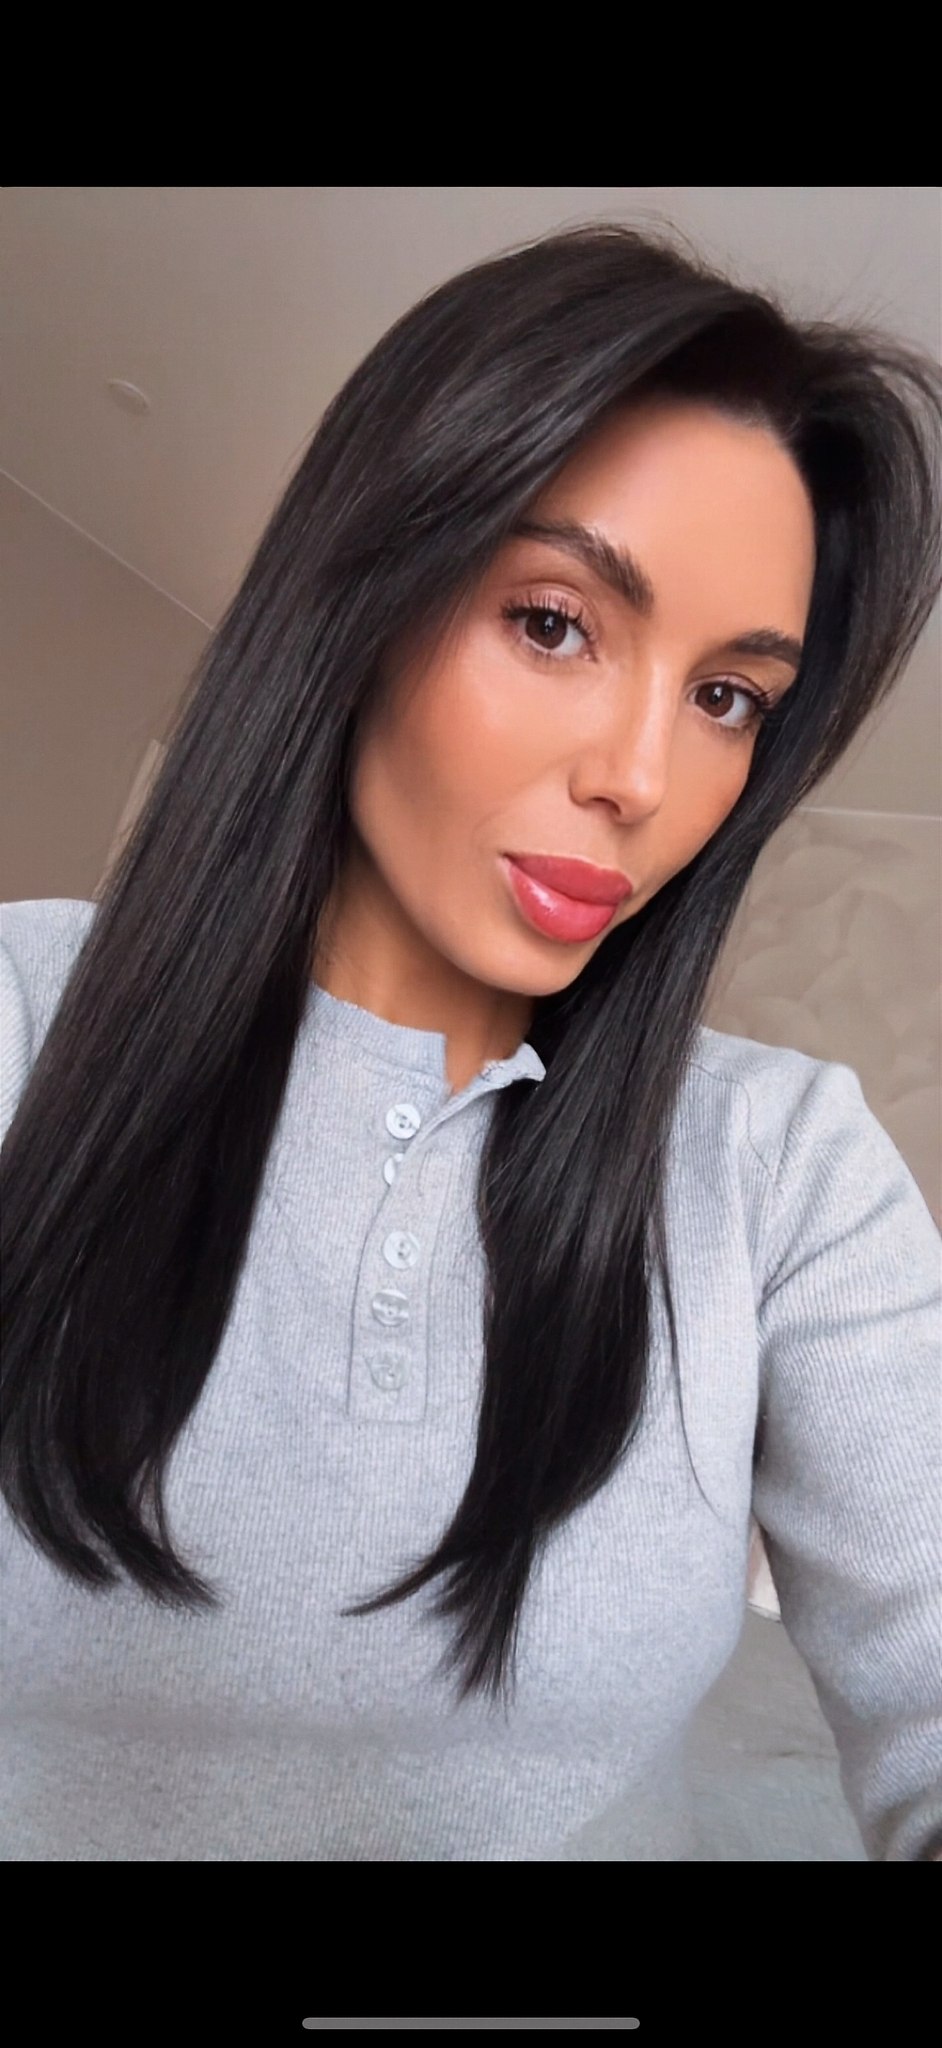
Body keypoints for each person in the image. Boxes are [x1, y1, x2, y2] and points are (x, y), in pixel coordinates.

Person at [2, 222, 940, 1863]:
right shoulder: (25, 1021)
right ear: (359, 599)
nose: (641, 778)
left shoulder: (779, 1169)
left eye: (727, 697)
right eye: (555, 622)